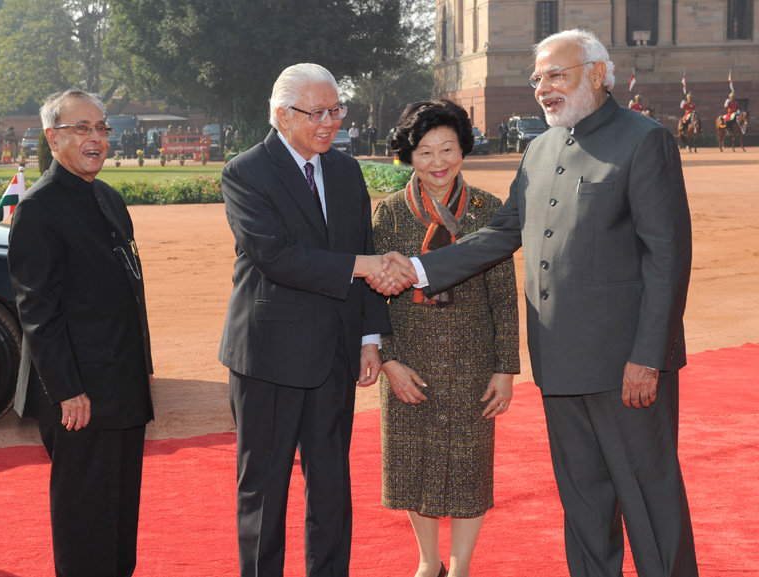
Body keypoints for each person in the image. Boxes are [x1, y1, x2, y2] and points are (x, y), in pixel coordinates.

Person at [372, 29, 698, 577]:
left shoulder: (644, 140)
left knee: (648, 500)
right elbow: (501, 234)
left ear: (596, 73)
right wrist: (421, 270)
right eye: (536, 79)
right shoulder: (542, 148)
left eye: (555, 75)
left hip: (626, 367)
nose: (542, 88)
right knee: (584, 505)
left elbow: (667, 258)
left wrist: (648, 357)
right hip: (561, 365)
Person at [219, 62, 407, 577]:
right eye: (317, 113)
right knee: (265, 488)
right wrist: (365, 267)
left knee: (331, 483)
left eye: (336, 111)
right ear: (281, 115)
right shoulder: (245, 172)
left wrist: (371, 338)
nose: (330, 123)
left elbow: (360, 246)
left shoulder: (345, 171)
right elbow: (276, 256)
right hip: (269, 357)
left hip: (336, 354)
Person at [7, 89, 153, 577]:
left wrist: (142, 373)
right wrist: (67, 390)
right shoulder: (39, 209)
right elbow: (37, 311)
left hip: (122, 387)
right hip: (79, 396)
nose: (96, 139)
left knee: (118, 512)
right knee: (85, 514)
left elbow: (129, 293)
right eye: (81, 129)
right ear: (53, 138)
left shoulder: (108, 198)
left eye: (102, 128)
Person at [373, 99, 520, 577]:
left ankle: (459, 568)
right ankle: (426, 561)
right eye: (424, 152)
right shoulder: (390, 215)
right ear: (408, 156)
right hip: (408, 358)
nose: (438, 163)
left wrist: (505, 369)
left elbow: (503, 296)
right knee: (412, 463)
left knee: (469, 468)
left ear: (463, 150)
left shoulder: (489, 210)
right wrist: (389, 361)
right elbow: (372, 298)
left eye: (448, 149)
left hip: (472, 357)